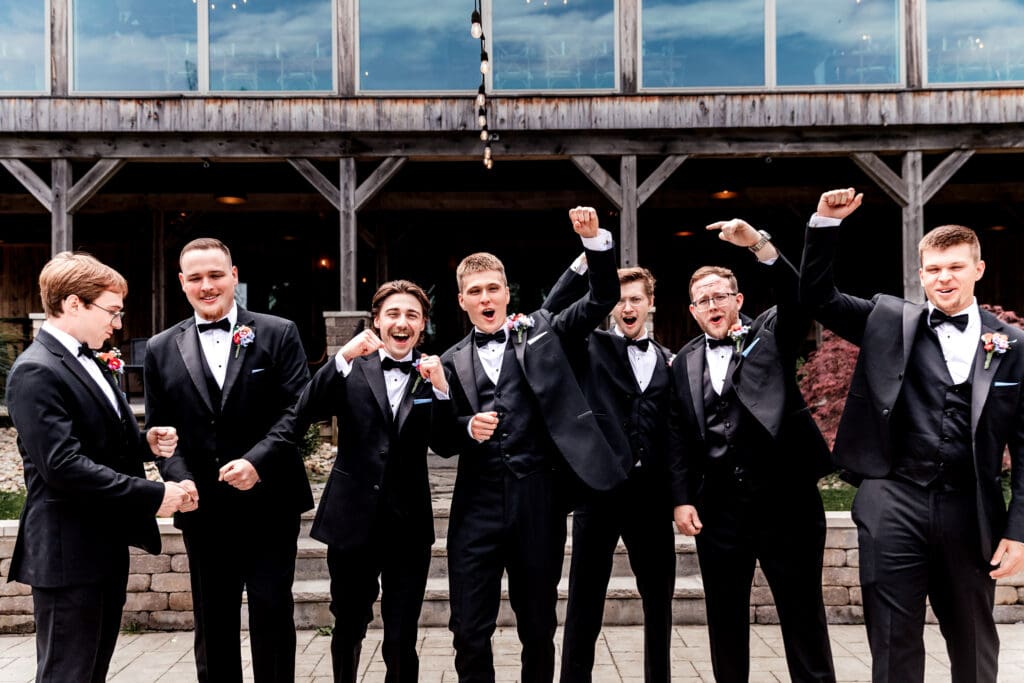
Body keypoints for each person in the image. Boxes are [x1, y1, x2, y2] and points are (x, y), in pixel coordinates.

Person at [799, 188, 1024, 682]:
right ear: (921, 274)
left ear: (977, 270)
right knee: (893, 641)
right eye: (934, 269)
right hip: (893, 498)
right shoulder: (887, 321)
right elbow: (817, 296)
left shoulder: (1012, 344)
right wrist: (824, 224)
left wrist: (1017, 530)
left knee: (974, 640)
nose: (944, 278)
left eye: (956, 267)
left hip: (971, 507)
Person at [435, 207, 629, 682]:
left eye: (493, 289)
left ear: (507, 292)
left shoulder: (543, 332)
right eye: (475, 291)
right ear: (462, 300)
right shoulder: (448, 360)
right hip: (474, 509)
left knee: (538, 627)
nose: (485, 297)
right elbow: (440, 441)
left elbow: (602, 296)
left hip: (538, 501)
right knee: (468, 631)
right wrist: (464, 426)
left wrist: (595, 243)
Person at [5, 251, 190, 682]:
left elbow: (93, 442)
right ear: (73, 304)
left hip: (101, 545)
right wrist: (156, 495)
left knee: (92, 670)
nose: (118, 323)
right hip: (68, 552)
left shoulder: (86, 358)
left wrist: (144, 443)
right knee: (68, 672)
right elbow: (63, 466)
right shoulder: (36, 370)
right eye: (112, 311)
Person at [668, 220, 836, 682]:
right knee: (724, 619)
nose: (712, 304)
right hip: (719, 510)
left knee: (802, 614)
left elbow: (797, 296)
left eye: (720, 295)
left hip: (788, 503)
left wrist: (760, 245)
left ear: (738, 300)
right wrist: (682, 498)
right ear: (693, 310)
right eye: (703, 299)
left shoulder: (771, 333)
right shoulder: (682, 361)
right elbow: (679, 434)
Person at [144, 238, 312, 683]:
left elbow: (297, 413)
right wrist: (178, 481)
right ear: (182, 284)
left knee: (272, 613)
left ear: (234, 276)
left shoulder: (279, 333)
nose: (207, 285)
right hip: (202, 508)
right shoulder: (161, 348)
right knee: (213, 620)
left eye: (215, 275)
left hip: (271, 500)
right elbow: (162, 433)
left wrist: (257, 462)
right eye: (195, 278)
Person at [265, 279, 449, 682]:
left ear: (423, 325)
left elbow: (448, 443)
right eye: (393, 314)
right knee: (348, 624)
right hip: (351, 521)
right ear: (377, 321)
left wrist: (443, 391)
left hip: (409, 524)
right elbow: (305, 410)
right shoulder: (351, 368)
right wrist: (342, 357)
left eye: (412, 315)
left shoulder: (433, 372)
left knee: (402, 633)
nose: (402, 323)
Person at [545, 263, 676, 682]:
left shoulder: (670, 361)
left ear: (650, 304)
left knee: (659, 601)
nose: (627, 306)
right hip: (597, 494)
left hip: (651, 498)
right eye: (619, 300)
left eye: (636, 298)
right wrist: (585, 263)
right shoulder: (587, 346)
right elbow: (549, 316)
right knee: (585, 601)